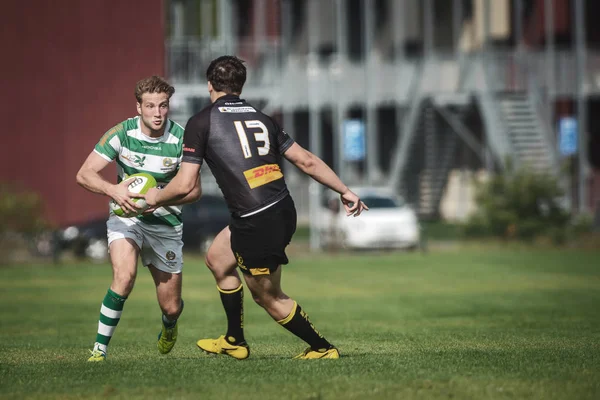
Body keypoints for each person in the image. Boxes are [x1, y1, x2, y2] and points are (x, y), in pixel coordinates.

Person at [142, 56, 368, 360]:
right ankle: (235, 340)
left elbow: (184, 185)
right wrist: (345, 190)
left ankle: (323, 348)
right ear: (241, 85)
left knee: (267, 296)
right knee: (217, 260)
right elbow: (307, 161)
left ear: (210, 84)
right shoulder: (263, 118)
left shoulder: (202, 121)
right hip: (281, 209)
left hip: (256, 219)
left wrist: (154, 198)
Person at [76, 76, 200, 361]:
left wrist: (159, 198)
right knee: (124, 276)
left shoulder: (182, 138)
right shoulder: (122, 133)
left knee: (170, 307)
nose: (157, 113)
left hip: (166, 226)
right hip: (126, 219)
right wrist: (113, 190)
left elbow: (194, 191)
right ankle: (99, 350)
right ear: (138, 107)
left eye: (163, 106)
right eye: (150, 106)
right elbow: (84, 174)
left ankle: (169, 326)